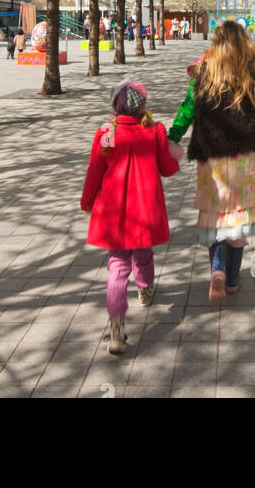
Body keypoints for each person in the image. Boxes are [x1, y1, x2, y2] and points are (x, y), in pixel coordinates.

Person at [168, 18, 255, 307]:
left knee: (216, 213)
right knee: (240, 216)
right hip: (246, 158)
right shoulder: (253, 72)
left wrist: (172, 136)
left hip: (212, 158)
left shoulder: (203, 73)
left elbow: (187, 110)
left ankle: (216, 268)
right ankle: (231, 280)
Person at [81, 79, 181, 356]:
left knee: (117, 264)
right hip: (145, 207)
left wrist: (87, 201)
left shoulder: (106, 133)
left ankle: (116, 323)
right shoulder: (155, 130)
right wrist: (176, 157)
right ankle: (146, 289)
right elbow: (167, 168)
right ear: (142, 107)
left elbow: (94, 171)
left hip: (114, 210)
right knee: (143, 250)